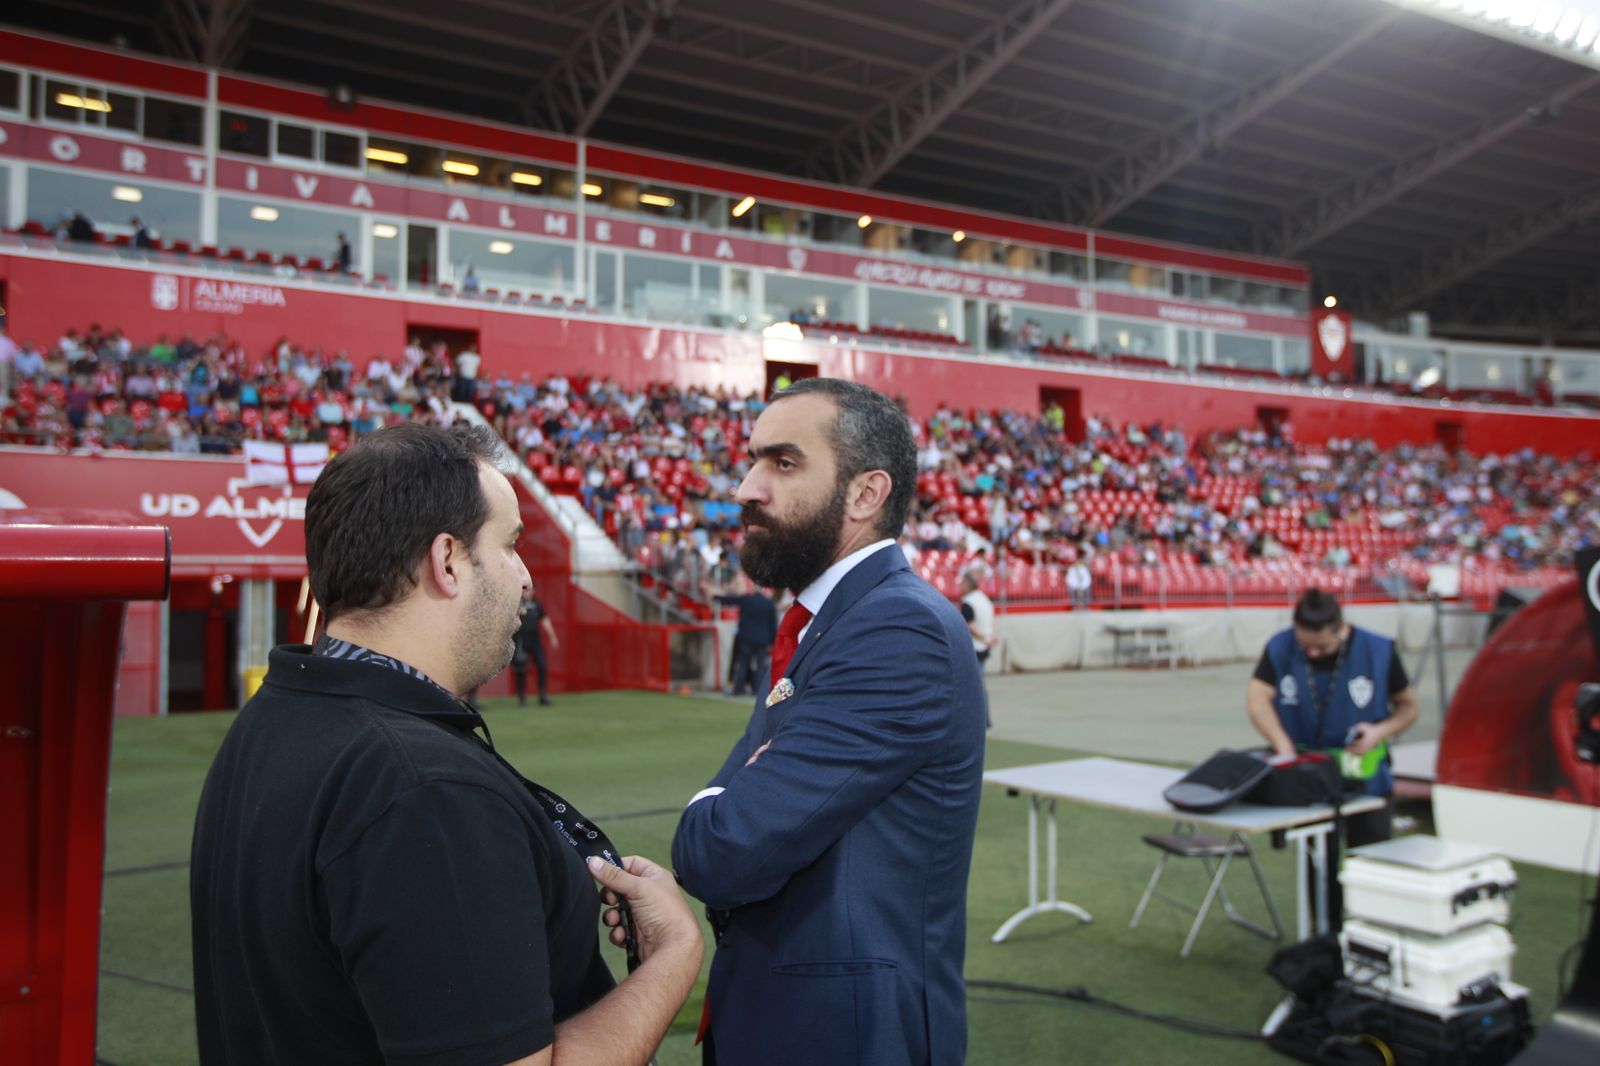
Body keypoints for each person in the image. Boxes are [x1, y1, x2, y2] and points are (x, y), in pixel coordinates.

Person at [191, 423, 701, 1066]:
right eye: (511, 546)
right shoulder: (423, 790)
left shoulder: (274, 718)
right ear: (449, 560)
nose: (526, 578)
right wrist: (674, 956)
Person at [672, 378, 986, 1066]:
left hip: (846, 1037)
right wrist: (735, 797)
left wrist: (712, 806)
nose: (748, 487)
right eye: (753, 460)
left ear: (866, 495)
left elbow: (720, 849)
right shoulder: (827, 624)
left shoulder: (898, 628)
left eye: (783, 464)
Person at [1246, 587, 1418, 847]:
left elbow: (1409, 707)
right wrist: (1283, 745)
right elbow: (1257, 699)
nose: (1312, 653)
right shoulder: (1280, 646)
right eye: (1305, 646)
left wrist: (1379, 732)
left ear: (1341, 629)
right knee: (1314, 873)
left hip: (1365, 780)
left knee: (1368, 864)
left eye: (1321, 646)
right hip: (1308, 780)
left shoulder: (1379, 650)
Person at [714, 572, 776, 697]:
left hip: (746, 638)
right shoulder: (769, 603)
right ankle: (758, 691)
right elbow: (772, 624)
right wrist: (772, 641)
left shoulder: (747, 600)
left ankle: (738, 689)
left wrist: (714, 595)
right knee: (760, 666)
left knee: (742, 664)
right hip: (762, 640)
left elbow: (729, 600)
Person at [512, 582, 558, 706]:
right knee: (521, 668)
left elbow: (544, 619)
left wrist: (552, 636)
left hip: (534, 640)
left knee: (542, 666)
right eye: (527, 590)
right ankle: (522, 698)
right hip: (521, 641)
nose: (529, 593)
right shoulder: (516, 603)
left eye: (531, 590)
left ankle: (543, 695)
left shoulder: (537, 603)